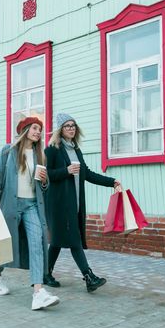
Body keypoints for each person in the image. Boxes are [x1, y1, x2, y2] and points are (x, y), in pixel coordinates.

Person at [0, 116, 60, 310]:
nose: (38, 132)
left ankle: (38, 293)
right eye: (35, 128)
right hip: (11, 205)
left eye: (40, 129)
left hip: (32, 205)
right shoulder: (8, 151)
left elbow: (44, 185)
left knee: (37, 244)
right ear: (25, 130)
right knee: (6, 244)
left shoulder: (40, 154)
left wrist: (44, 181)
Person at [44, 113, 121, 292]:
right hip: (59, 205)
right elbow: (45, 176)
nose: (71, 128)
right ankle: (89, 276)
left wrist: (112, 182)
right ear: (60, 130)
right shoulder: (52, 150)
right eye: (67, 125)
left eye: (73, 125)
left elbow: (87, 174)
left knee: (56, 241)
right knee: (74, 240)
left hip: (75, 203)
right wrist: (66, 170)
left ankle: (45, 273)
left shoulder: (76, 150)